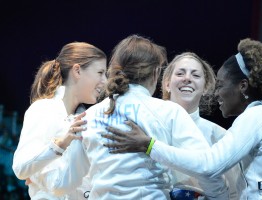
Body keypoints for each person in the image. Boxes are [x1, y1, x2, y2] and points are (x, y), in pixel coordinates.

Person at [102, 38, 262, 199]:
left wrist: (150, 145)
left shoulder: (256, 117)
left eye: (220, 85)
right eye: (180, 73)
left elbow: (210, 167)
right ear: (165, 82)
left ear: (242, 86)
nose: (217, 93)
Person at [46, 34, 230, 199]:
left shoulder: (89, 117)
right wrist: (219, 196)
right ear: (157, 72)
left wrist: (43, 165)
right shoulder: (168, 112)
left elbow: (61, 184)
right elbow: (207, 169)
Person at [12, 42, 107, 199]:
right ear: (77, 70)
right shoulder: (43, 109)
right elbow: (21, 168)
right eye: (100, 72)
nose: (105, 80)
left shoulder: (86, 120)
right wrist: (59, 145)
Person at [161, 52, 243, 199]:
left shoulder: (221, 136)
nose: (187, 79)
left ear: (205, 87)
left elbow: (234, 193)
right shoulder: (148, 126)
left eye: (196, 75)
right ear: (167, 84)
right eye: (180, 73)